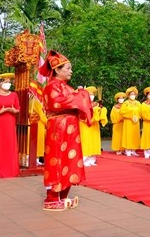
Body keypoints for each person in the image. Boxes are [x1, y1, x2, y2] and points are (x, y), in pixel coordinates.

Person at [39, 50, 93, 211]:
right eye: (68, 68)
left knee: (70, 160)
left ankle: (63, 196)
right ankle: (52, 198)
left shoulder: (65, 86)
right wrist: (81, 95)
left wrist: (79, 96)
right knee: (57, 159)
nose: (71, 71)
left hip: (70, 127)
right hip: (59, 127)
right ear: (57, 70)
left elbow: (73, 101)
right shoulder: (52, 86)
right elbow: (58, 103)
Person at [80, 86, 107, 166]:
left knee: (93, 141)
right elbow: (83, 116)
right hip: (85, 125)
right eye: (89, 94)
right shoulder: (82, 104)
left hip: (94, 126)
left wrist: (101, 109)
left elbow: (99, 116)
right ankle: (84, 159)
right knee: (86, 142)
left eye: (92, 95)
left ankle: (92, 159)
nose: (91, 96)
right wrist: (95, 110)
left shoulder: (96, 104)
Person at [120, 87, 141, 156]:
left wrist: (138, 117)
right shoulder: (125, 103)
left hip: (136, 121)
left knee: (135, 135)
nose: (133, 95)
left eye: (134, 94)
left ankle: (134, 149)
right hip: (128, 121)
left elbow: (141, 111)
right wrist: (131, 115)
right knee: (128, 135)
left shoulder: (138, 103)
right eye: (131, 94)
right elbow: (122, 112)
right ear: (128, 95)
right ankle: (127, 149)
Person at [141, 87, 150, 159]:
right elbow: (143, 114)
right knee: (147, 136)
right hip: (147, 123)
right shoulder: (143, 104)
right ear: (147, 95)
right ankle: (146, 151)